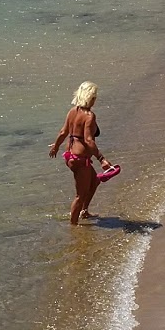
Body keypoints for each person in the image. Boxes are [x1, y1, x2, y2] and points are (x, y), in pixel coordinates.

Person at [48, 81, 109, 226]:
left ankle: (84, 211)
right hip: (80, 159)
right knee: (80, 195)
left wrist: (56, 146)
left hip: (70, 155)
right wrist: (102, 159)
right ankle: (73, 226)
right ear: (90, 97)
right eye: (94, 97)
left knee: (94, 181)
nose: (95, 99)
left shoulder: (72, 111)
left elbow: (64, 132)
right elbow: (88, 140)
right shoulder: (89, 116)